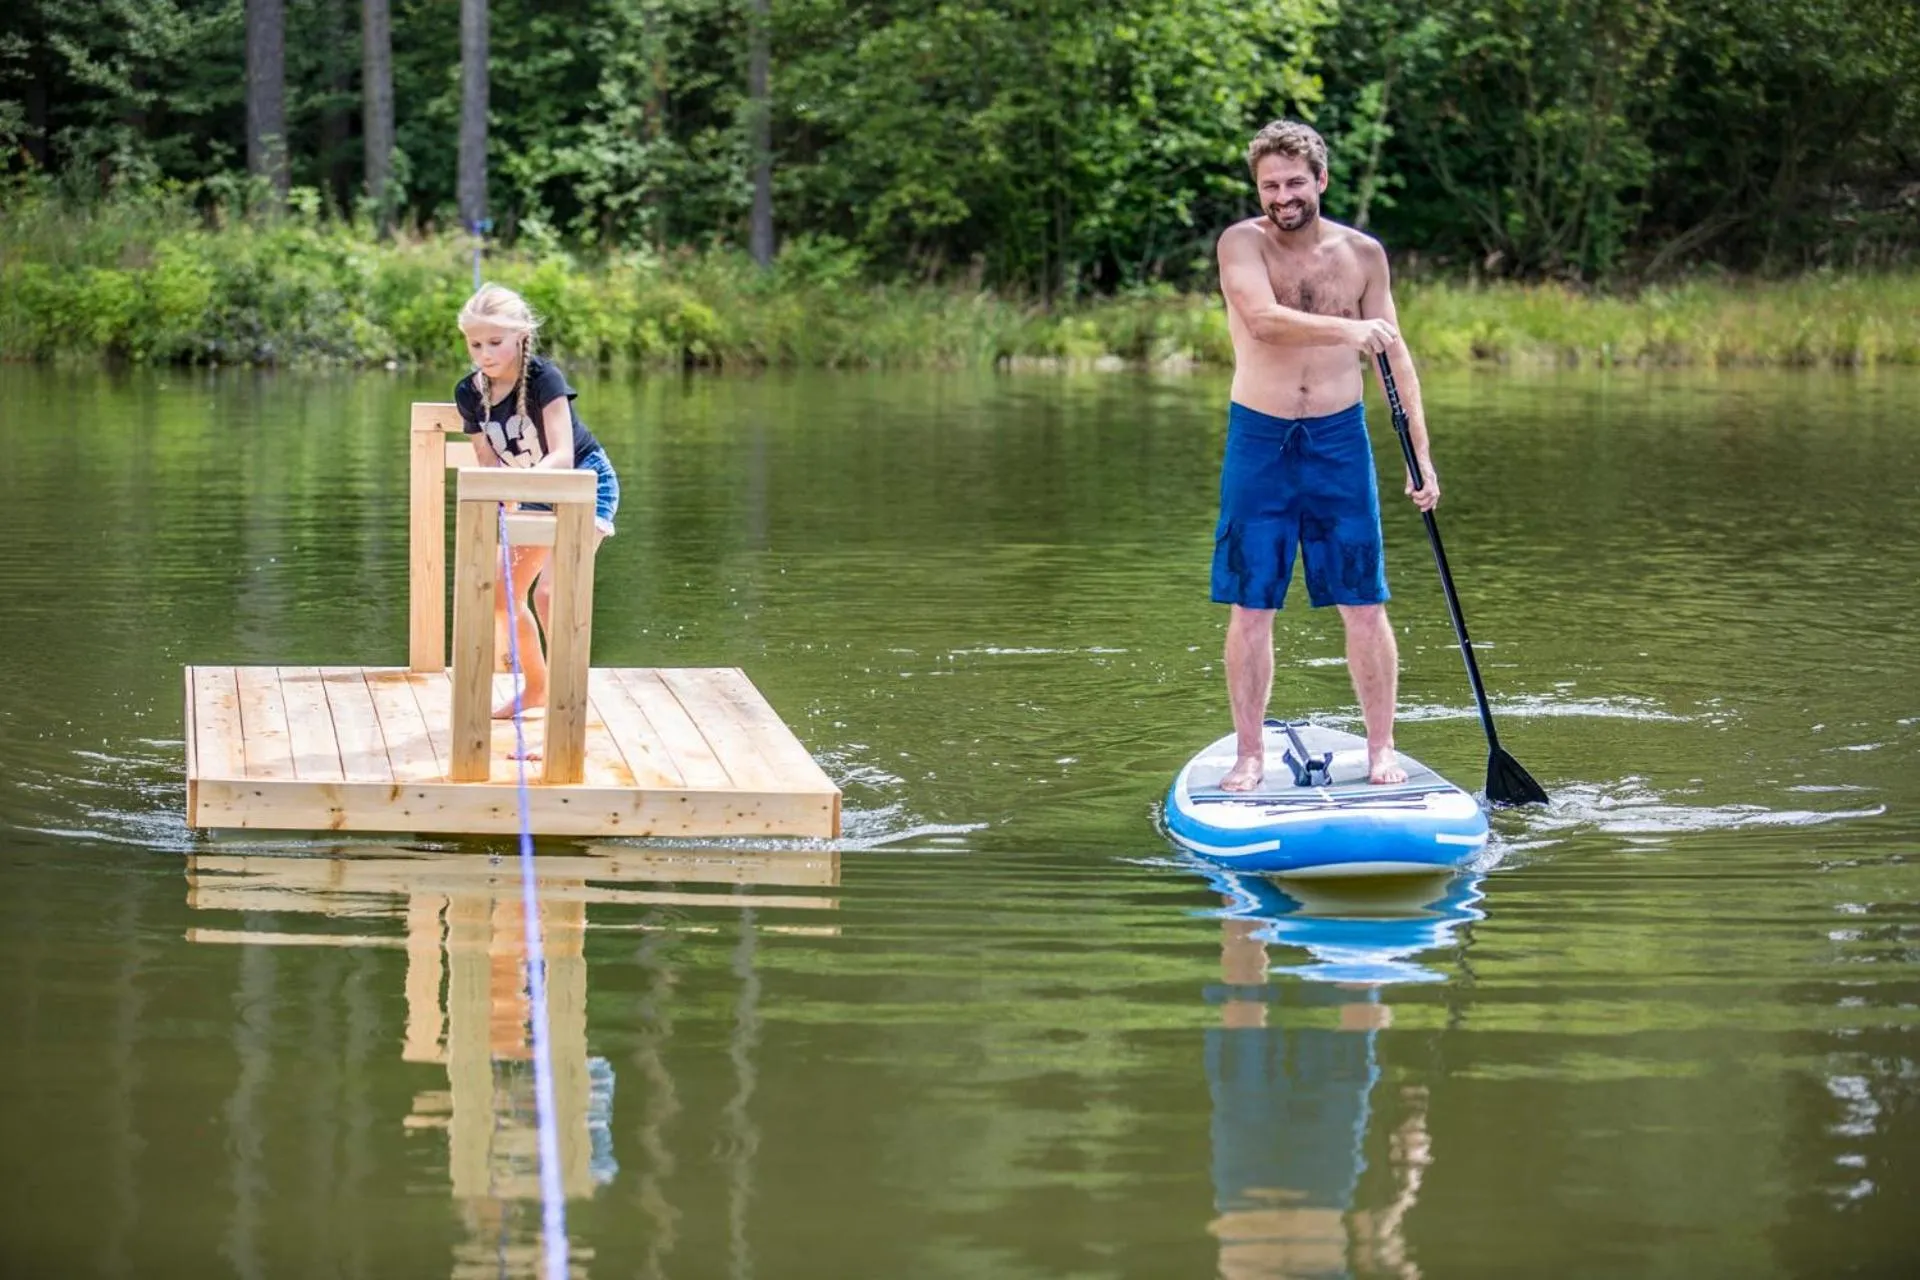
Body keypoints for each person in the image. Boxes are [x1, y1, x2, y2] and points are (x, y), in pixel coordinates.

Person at [1211, 120, 1441, 791]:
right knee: (1252, 604)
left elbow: (1393, 355)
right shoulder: (1240, 244)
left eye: (1292, 182)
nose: (1280, 196)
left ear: (1321, 179)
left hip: (1341, 441)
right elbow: (1261, 320)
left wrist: (1419, 458)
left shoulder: (1364, 255)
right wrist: (1351, 328)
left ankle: (1381, 751)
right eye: (1268, 185)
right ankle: (1249, 754)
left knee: (1364, 602)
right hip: (1260, 437)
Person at [454, 283, 621, 718]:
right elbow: (487, 460)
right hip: (532, 494)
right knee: (500, 593)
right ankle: (538, 686)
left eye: (495, 342)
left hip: (584, 486)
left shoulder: (543, 379)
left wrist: (516, 489)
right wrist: (501, 496)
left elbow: (563, 457)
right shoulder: (470, 394)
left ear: (520, 337)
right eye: (475, 344)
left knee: (550, 593)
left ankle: (569, 698)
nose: (484, 353)